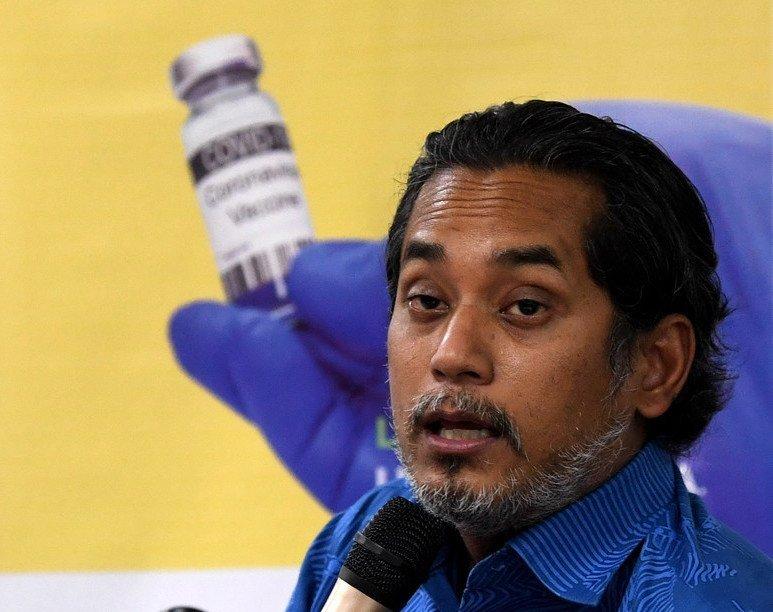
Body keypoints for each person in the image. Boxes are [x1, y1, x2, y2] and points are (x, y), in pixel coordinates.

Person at [283, 100, 771, 610]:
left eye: (526, 306)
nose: (452, 355)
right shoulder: (363, 546)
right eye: (426, 300)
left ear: (655, 365)